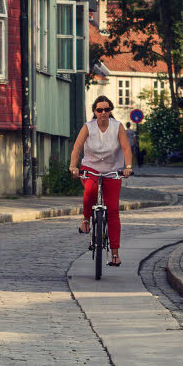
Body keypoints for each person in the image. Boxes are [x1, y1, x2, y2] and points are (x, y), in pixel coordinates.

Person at [69, 95, 133, 267]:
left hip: (113, 170)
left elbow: (126, 147)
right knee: (89, 191)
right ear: (94, 112)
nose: (103, 113)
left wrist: (128, 166)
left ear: (110, 111)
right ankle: (85, 220)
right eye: (99, 110)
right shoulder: (88, 127)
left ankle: (115, 253)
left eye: (106, 109)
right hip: (91, 168)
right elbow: (77, 147)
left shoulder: (117, 127)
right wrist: (73, 167)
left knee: (112, 211)